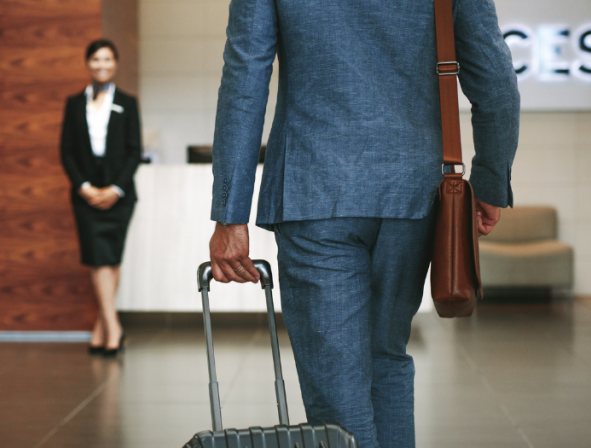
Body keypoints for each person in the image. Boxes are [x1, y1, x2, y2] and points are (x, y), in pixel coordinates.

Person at [207, 1, 520, 447]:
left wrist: (230, 214)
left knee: (336, 387)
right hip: (410, 191)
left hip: (312, 190)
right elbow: (493, 75)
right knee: (386, 360)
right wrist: (489, 181)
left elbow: (245, 79)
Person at [59, 39, 143, 358]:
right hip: (86, 196)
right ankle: (114, 328)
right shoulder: (73, 103)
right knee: (98, 259)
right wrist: (84, 187)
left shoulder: (128, 102)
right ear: (87, 63)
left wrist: (115, 189)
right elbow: (66, 151)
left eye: (108, 59)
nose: (102, 65)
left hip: (119, 195)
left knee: (112, 258)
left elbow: (134, 151)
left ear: (116, 63)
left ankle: (101, 329)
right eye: (96, 59)